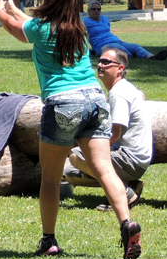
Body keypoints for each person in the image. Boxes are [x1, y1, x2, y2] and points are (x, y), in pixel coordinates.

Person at [0, 0, 142, 259]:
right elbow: (32, 24)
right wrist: (15, 9)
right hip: (95, 100)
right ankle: (126, 223)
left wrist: (0, 11)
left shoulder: (41, 28)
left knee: (50, 177)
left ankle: (49, 241)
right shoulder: (79, 31)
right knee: (105, 170)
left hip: (63, 103)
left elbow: (18, 29)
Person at [64, 47, 152, 211]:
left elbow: (115, 133)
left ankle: (124, 193)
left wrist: (93, 150)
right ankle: (129, 184)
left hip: (130, 159)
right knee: (69, 173)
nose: (100, 65)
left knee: (76, 156)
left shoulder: (118, 93)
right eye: (99, 61)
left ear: (120, 68)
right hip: (136, 159)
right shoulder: (123, 88)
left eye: (106, 62)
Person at [84, 0, 167, 60]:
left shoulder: (104, 19)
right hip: (101, 46)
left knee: (135, 46)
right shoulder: (86, 22)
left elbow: (107, 30)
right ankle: (131, 55)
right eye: (93, 9)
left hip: (116, 40)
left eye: (98, 9)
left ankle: (152, 56)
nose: (96, 11)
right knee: (118, 48)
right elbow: (80, 35)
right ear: (88, 11)